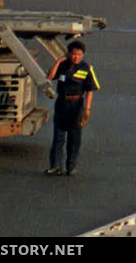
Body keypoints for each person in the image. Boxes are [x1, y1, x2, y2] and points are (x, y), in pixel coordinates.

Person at [45, 40, 99, 176]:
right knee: (58, 136)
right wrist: (58, 61)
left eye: (79, 54)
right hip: (62, 103)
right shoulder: (63, 66)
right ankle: (55, 166)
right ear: (69, 54)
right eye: (74, 54)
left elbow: (90, 90)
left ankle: (71, 166)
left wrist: (87, 109)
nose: (76, 57)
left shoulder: (86, 68)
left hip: (76, 105)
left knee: (74, 138)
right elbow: (50, 76)